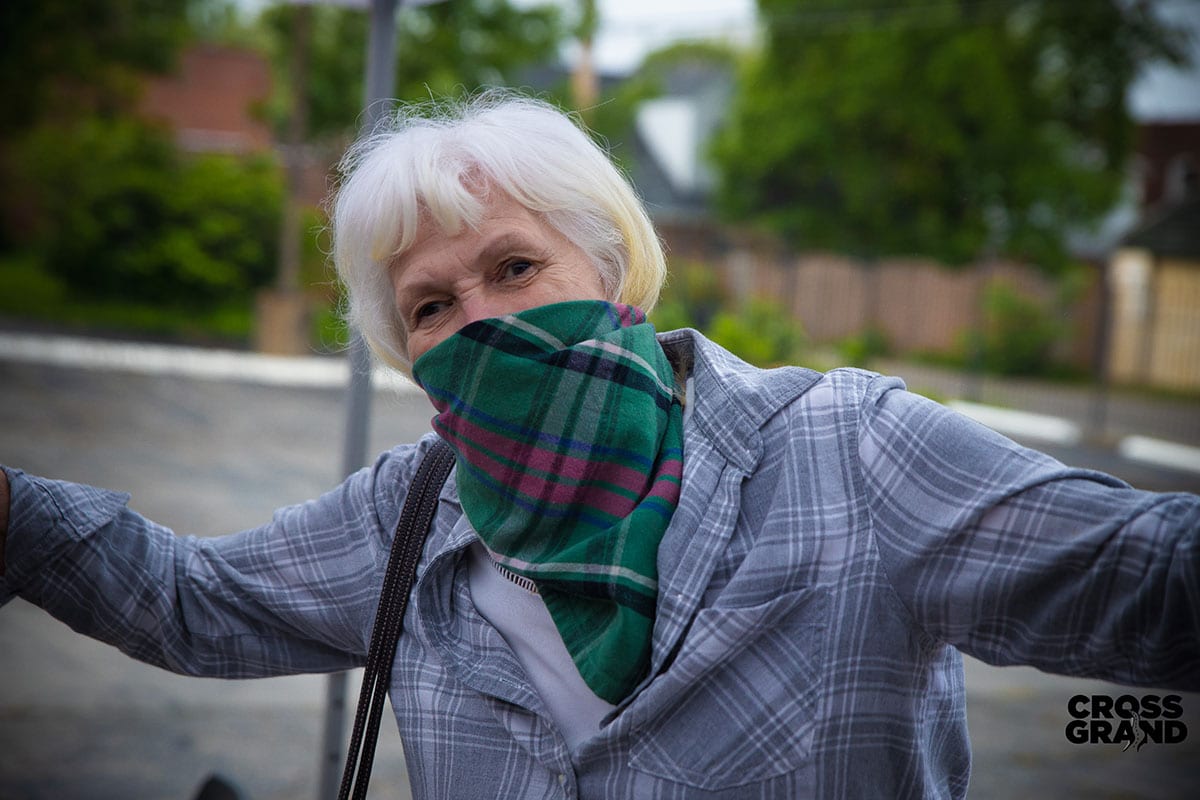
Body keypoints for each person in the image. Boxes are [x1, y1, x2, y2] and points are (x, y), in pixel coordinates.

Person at [1, 91, 1197, 799]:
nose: (483, 317)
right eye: (432, 305)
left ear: (611, 265)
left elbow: (1148, 576)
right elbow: (191, 601)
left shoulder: (848, 452)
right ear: (405, 351)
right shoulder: (407, 516)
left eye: (516, 266)